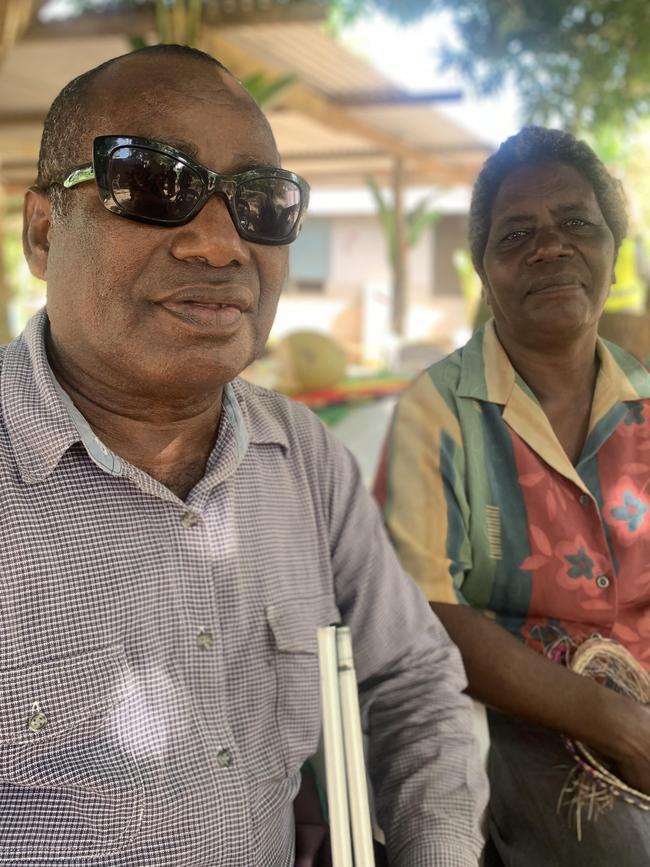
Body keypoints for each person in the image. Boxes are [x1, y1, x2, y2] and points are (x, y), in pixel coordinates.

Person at [2, 44, 487, 866]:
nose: (221, 246)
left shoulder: (302, 457)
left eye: (259, 203)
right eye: (154, 184)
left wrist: (431, 846)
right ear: (45, 230)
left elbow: (411, 680)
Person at [376, 126, 650, 866]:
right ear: (486, 270)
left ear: (612, 251)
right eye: (517, 232)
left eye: (577, 224)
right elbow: (422, 612)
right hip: (513, 724)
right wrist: (617, 724)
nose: (550, 247)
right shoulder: (438, 412)